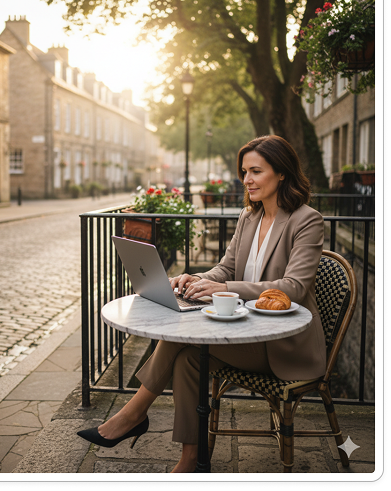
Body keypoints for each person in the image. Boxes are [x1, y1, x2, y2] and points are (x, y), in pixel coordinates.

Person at [77, 135, 326, 472]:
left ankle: (134, 415)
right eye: (244, 172)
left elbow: (293, 288)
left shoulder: (306, 220)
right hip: (245, 329)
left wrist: (222, 286)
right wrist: (195, 277)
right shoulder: (248, 218)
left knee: (181, 342)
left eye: (256, 171)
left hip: (280, 342)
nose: (247, 180)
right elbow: (226, 267)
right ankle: (190, 459)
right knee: (188, 359)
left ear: (281, 173)